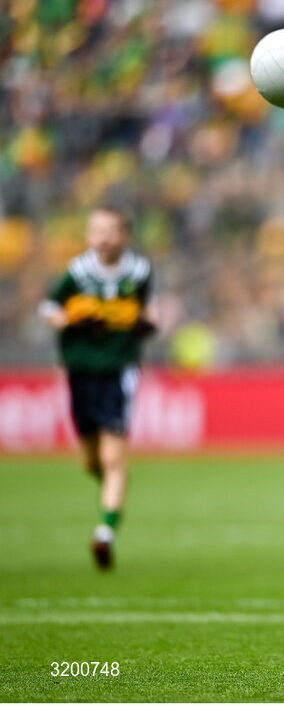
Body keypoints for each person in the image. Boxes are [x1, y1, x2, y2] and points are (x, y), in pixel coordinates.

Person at [39, 206, 157, 570]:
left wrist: (145, 323)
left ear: (125, 236)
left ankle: (105, 532)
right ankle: (114, 490)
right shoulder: (78, 272)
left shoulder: (139, 272)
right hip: (81, 370)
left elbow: (145, 311)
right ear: (88, 236)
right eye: (97, 230)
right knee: (91, 461)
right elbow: (49, 306)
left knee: (112, 457)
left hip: (119, 368)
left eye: (111, 230)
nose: (103, 238)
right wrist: (66, 319)